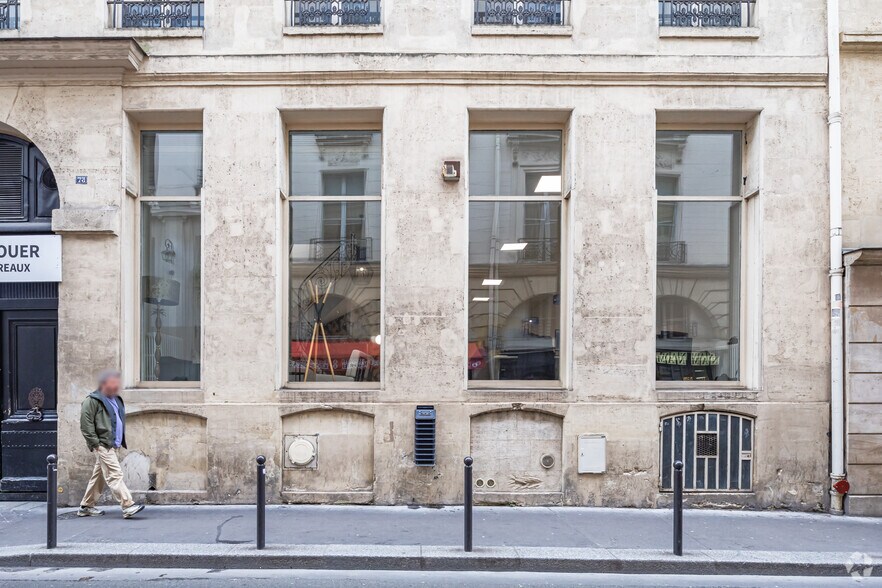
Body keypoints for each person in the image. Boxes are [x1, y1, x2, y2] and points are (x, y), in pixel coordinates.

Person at [77, 370, 144, 519]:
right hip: (102, 444)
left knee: (99, 475)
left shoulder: (117, 399)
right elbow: (85, 425)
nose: (116, 386)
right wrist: (95, 444)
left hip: (113, 444)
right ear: (103, 384)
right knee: (115, 474)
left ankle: (86, 506)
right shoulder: (92, 400)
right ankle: (127, 505)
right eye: (113, 383)